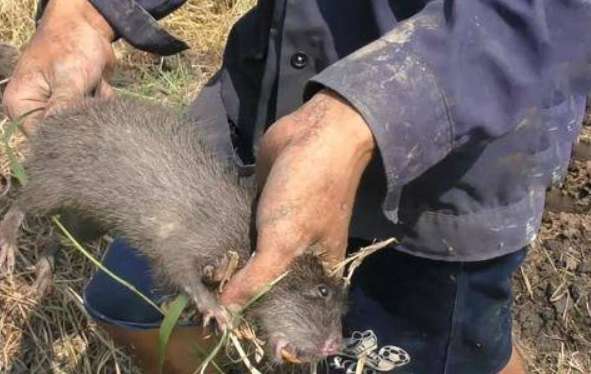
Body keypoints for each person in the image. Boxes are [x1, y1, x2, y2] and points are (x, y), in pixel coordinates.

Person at [3, 0, 591, 373]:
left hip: (445, 172)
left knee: (449, 355)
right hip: (263, 99)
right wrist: (89, 10)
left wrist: (364, 117)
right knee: (126, 307)